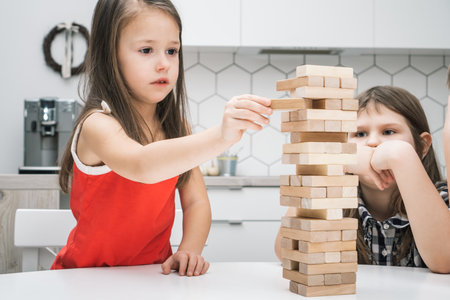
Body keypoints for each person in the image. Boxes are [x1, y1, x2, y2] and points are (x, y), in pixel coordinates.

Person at [51, 0, 271, 276]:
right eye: (146, 50)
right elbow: (143, 165)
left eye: (172, 50)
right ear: (110, 55)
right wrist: (221, 136)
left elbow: (196, 203)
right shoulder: (97, 125)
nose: (164, 64)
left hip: (153, 278)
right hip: (83, 279)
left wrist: (189, 250)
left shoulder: (177, 127)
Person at [275, 86, 450, 273]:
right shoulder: (333, 199)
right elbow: (286, 252)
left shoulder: (442, 198)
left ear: (422, 146)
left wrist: (401, 157)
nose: (372, 142)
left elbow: (444, 261)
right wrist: (328, 167)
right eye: (359, 134)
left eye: (389, 132)